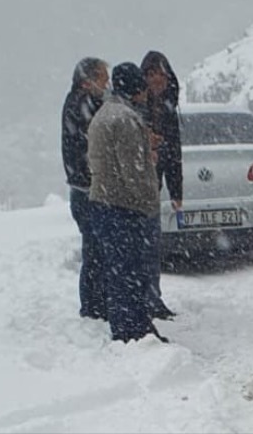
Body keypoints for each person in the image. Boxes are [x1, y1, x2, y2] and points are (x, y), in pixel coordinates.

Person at [87, 62, 168, 343]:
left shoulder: (105, 113)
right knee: (129, 273)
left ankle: (129, 328)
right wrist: (149, 202)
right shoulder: (125, 119)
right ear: (136, 89)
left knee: (118, 272)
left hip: (105, 203)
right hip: (122, 207)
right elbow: (132, 171)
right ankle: (133, 332)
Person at [61, 57, 109, 320]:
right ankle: (93, 306)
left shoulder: (78, 103)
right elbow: (93, 144)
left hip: (83, 189)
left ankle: (95, 304)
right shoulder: (82, 106)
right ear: (88, 80)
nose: (107, 84)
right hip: (87, 190)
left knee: (94, 249)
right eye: (103, 78)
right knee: (95, 250)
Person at [139, 50, 182, 320]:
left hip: (152, 187)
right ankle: (144, 300)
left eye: (161, 74)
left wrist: (177, 191)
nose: (157, 80)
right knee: (141, 247)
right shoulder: (137, 107)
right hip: (135, 187)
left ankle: (153, 299)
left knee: (152, 246)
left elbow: (174, 153)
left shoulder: (168, 108)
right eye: (151, 74)